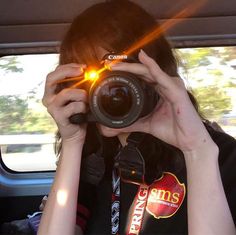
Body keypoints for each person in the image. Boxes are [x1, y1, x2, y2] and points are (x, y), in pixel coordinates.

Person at [38, 1, 236, 234]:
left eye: (119, 72)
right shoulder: (93, 160)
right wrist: (71, 143)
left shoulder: (220, 156)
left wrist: (197, 151)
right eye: (94, 77)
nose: (108, 90)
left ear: (156, 72)